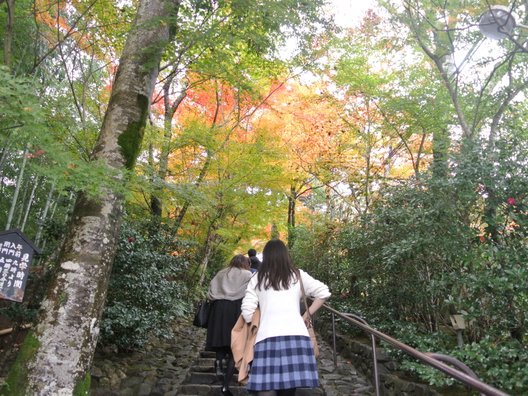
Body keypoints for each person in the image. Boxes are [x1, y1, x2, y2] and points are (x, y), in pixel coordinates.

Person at [241, 239, 331, 396]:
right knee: (288, 391)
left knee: (265, 390)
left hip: (267, 338)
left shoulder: (258, 278)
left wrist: (260, 319)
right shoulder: (297, 275)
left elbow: (247, 312)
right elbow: (324, 292)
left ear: (266, 257)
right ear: (285, 255)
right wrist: (306, 315)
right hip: (297, 337)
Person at [206, 254, 253, 396]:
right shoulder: (247, 274)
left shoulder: (221, 273)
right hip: (236, 309)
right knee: (236, 344)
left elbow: (210, 292)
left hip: (218, 308)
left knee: (220, 338)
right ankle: (226, 385)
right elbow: (252, 292)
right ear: (246, 263)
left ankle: (219, 363)